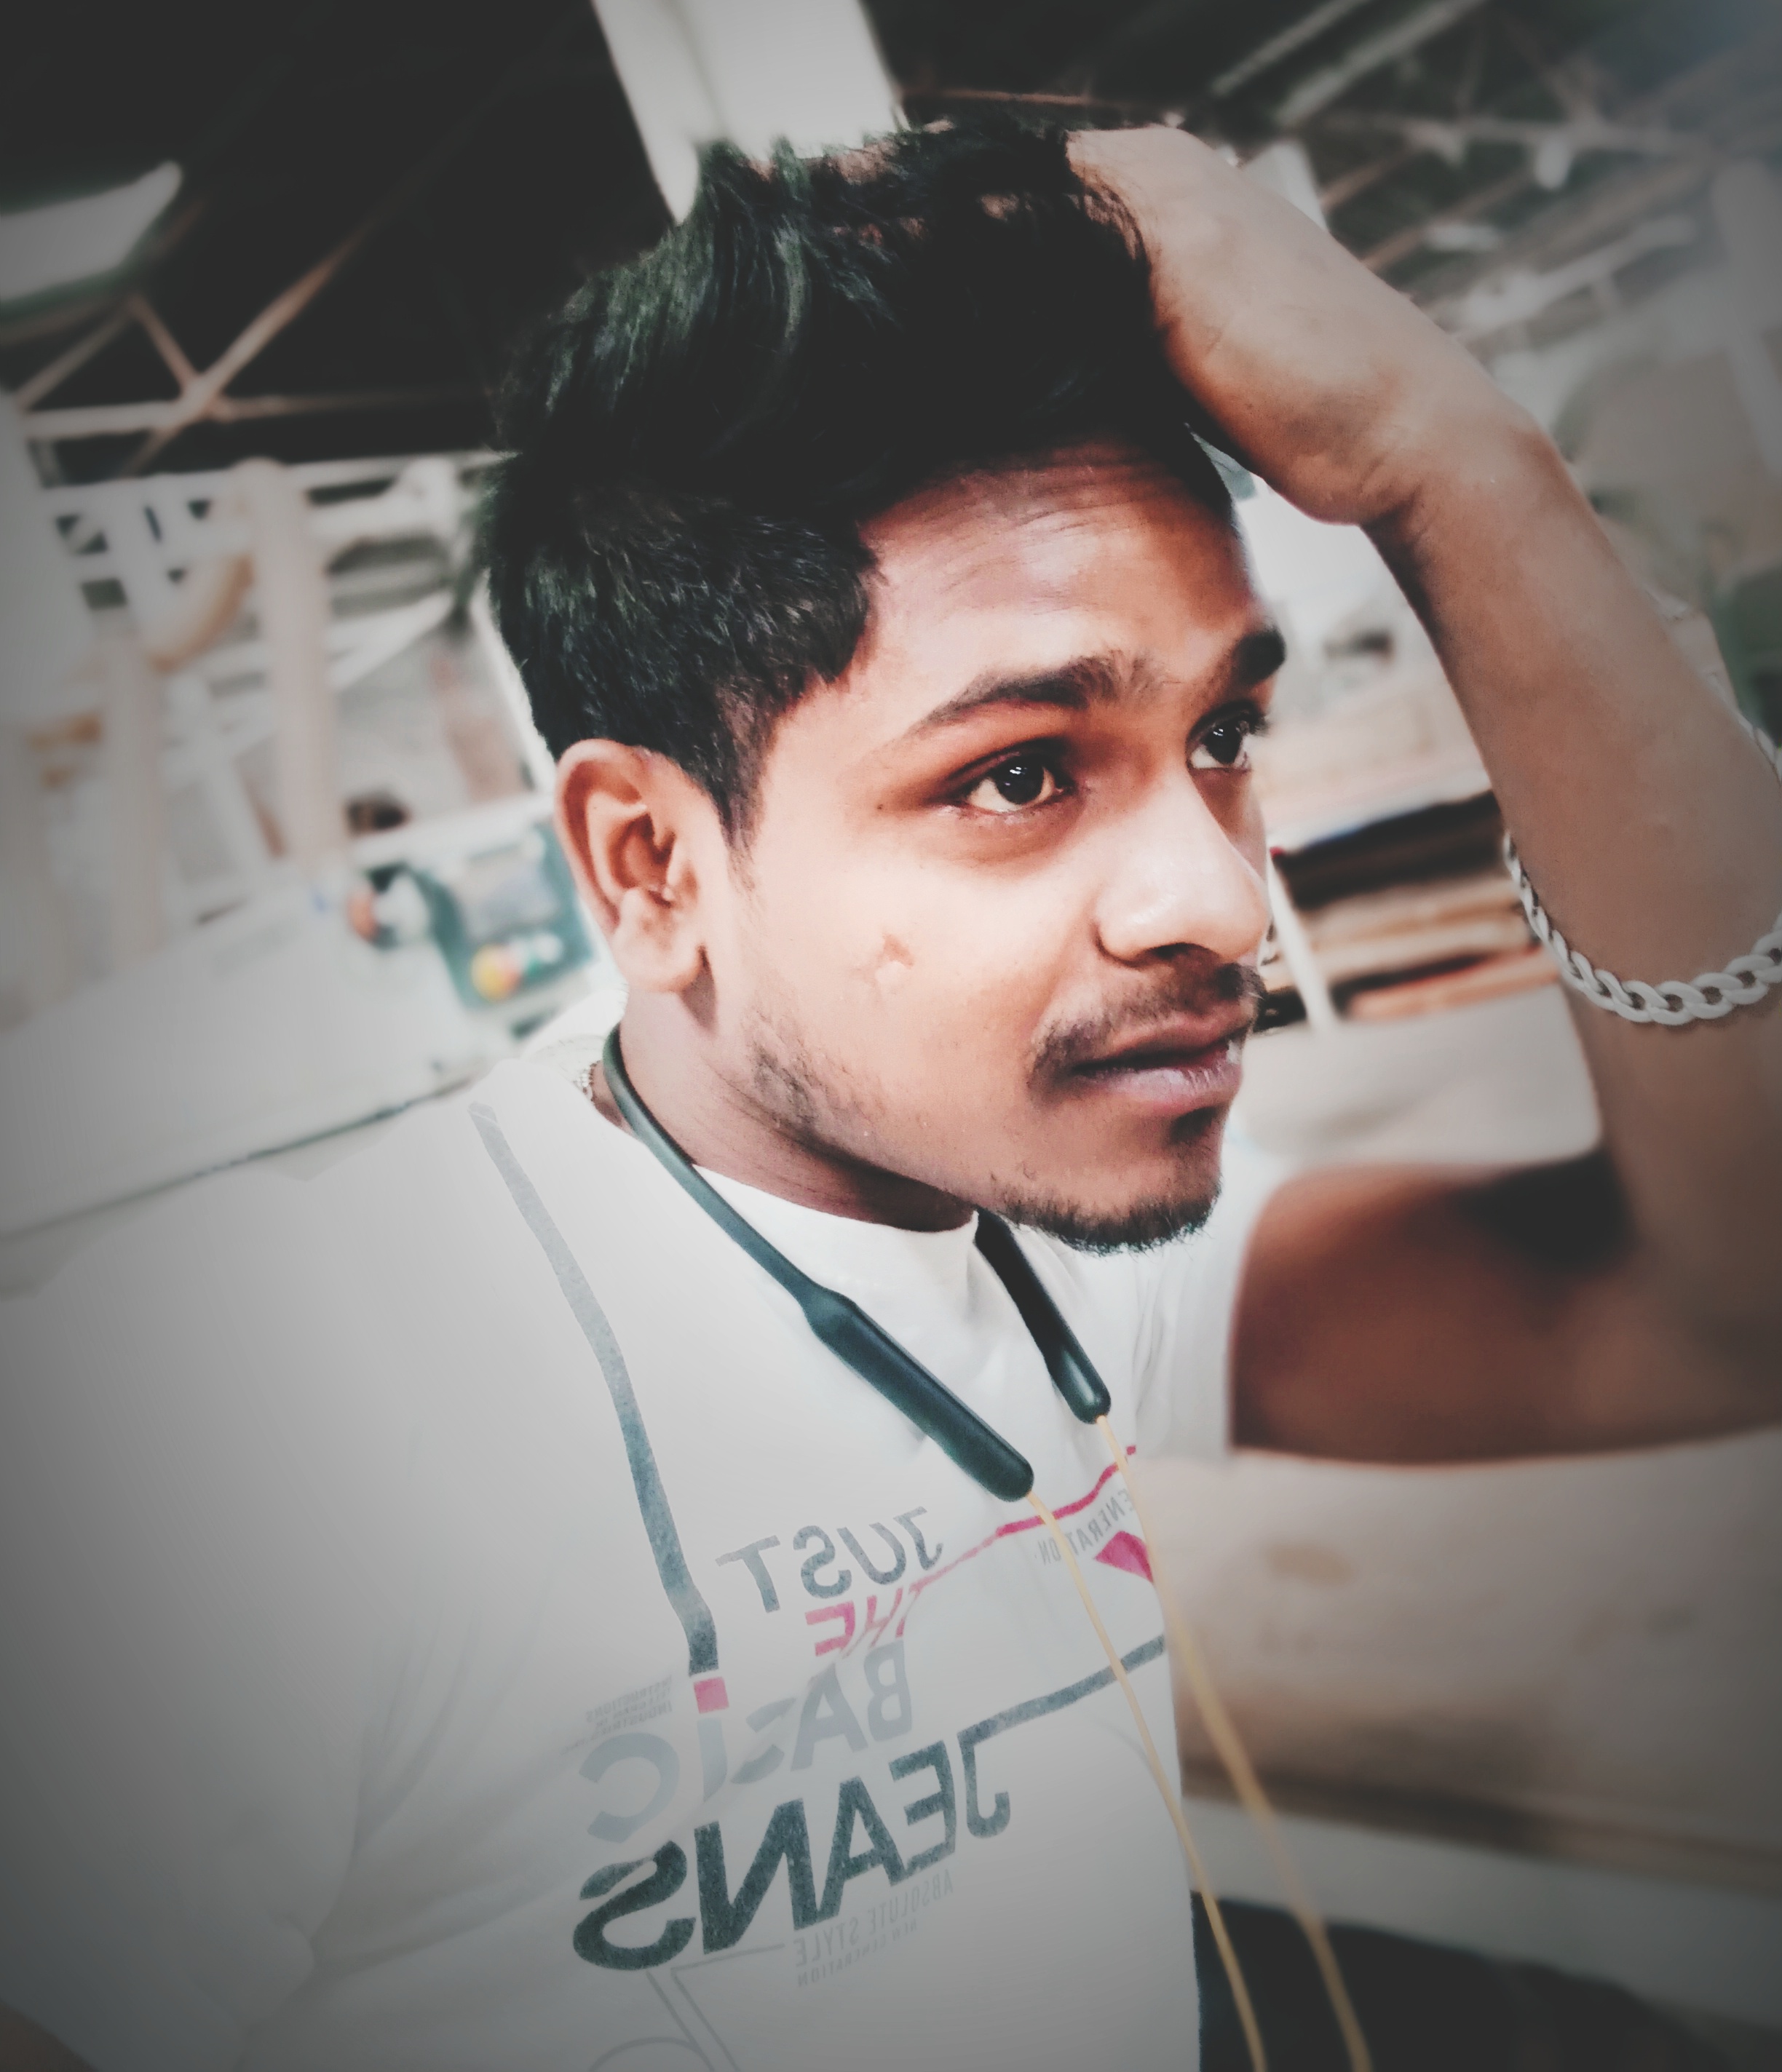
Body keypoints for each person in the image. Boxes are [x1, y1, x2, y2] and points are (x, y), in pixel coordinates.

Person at [1, 118, 1778, 2072]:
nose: (1219, 898)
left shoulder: (1030, 1226)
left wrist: (1462, 467)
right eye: (1020, 774)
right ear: (652, 864)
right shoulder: (244, 1427)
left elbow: (1722, 1299)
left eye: (1224, 733)